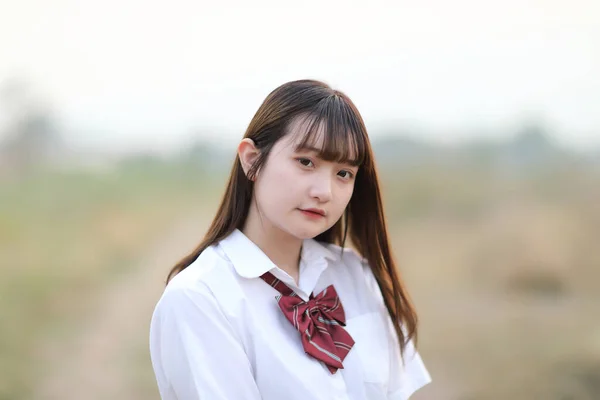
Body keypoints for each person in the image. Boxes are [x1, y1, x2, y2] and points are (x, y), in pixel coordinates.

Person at [149, 79, 432, 400]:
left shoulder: (357, 276)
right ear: (251, 159)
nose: (324, 192)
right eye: (306, 162)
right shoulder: (201, 299)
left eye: (344, 173)